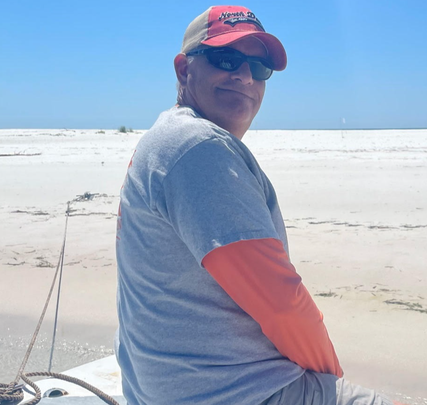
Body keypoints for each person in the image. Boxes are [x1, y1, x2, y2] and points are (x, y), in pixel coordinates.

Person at [116, 6, 404, 405]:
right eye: (226, 59)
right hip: (235, 393)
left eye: (258, 67)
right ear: (184, 70)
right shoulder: (198, 148)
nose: (245, 77)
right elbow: (281, 306)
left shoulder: (167, 137)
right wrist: (327, 380)